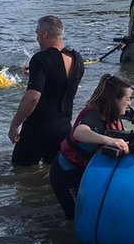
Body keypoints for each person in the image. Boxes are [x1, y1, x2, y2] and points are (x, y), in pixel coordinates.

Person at [49, 74, 134, 221]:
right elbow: (79, 132)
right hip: (67, 174)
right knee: (76, 218)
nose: (129, 103)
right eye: (127, 99)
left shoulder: (116, 110)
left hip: (86, 172)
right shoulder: (93, 114)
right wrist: (110, 140)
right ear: (114, 99)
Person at [8, 15, 83, 166]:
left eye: (37, 34)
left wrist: (14, 125)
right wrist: (39, 73)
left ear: (45, 34)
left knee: (20, 173)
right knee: (52, 171)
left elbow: (32, 98)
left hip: (37, 129)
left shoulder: (40, 59)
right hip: (63, 128)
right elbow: (59, 83)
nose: (37, 38)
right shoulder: (77, 60)